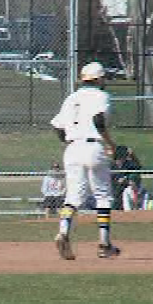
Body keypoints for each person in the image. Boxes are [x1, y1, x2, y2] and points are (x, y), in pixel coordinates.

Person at [50, 61, 122, 259]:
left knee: (73, 197)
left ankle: (63, 232)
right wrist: (110, 143)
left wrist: (69, 141)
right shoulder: (102, 96)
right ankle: (104, 244)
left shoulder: (71, 98)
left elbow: (57, 125)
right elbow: (99, 120)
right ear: (98, 79)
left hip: (73, 148)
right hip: (94, 146)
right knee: (103, 196)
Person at [111, 146, 141, 210]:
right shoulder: (112, 166)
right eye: (125, 155)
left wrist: (133, 155)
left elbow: (138, 166)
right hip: (115, 195)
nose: (126, 157)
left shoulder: (128, 164)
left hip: (125, 194)